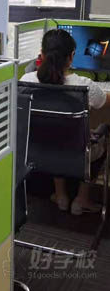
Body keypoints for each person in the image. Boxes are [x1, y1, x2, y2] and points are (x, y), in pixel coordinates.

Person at [21, 29, 110, 215]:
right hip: (76, 154)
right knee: (100, 135)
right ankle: (81, 199)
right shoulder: (83, 85)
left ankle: (61, 196)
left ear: (41, 54)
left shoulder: (26, 81)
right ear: (71, 57)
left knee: (54, 133)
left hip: (39, 152)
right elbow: (103, 101)